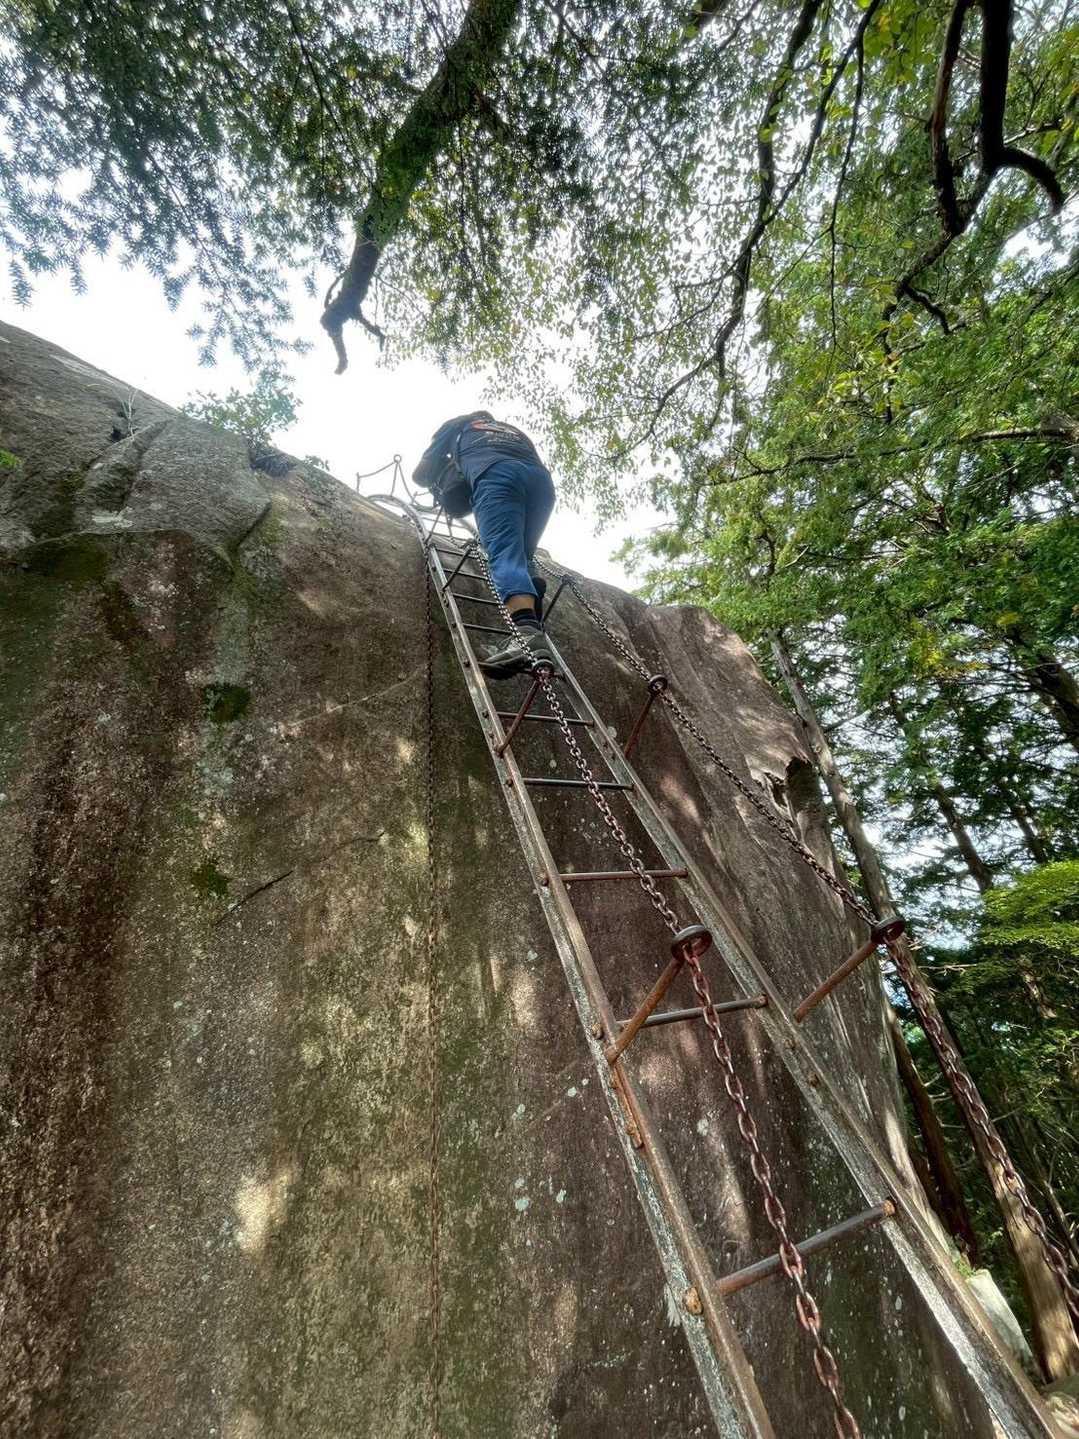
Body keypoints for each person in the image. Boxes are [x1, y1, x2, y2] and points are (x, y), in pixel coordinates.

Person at [413, 412, 556, 678]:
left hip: (497, 475)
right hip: (541, 483)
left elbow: (420, 476)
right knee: (522, 555)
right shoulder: (511, 430)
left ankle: (526, 634)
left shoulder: (456, 426)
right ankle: (532, 613)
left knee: (504, 554)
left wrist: (447, 464)